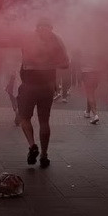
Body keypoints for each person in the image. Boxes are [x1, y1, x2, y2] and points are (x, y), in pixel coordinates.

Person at [17, 19, 69, 168]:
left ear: (37, 27)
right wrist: (50, 64)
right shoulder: (57, 40)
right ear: (51, 27)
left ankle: (32, 145)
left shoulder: (28, 38)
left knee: (24, 118)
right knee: (44, 121)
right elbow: (66, 63)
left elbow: (22, 56)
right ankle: (44, 156)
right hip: (47, 86)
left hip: (29, 84)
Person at [80, 52, 101, 125]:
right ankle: (87, 112)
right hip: (96, 73)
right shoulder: (97, 49)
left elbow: (80, 62)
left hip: (87, 73)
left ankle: (95, 115)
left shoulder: (85, 50)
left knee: (90, 94)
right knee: (90, 93)